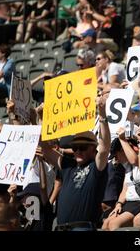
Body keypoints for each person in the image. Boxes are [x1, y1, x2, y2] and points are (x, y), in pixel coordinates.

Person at [39, 95, 111, 230]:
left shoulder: (96, 167)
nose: (78, 151)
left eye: (83, 147)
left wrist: (102, 114)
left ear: (92, 149)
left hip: (83, 228)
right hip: (60, 228)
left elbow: (105, 148)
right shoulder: (68, 165)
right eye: (75, 148)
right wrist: (42, 119)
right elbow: (45, 148)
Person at [102, 133, 140, 231]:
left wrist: (122, 139)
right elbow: (126, 188)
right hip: (131, 202)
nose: (116, 160)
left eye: (116, 155)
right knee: (106, 224)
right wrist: (119, 204)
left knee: (114, 224)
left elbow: (135, 160)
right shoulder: (127, 166)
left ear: (124, 150)